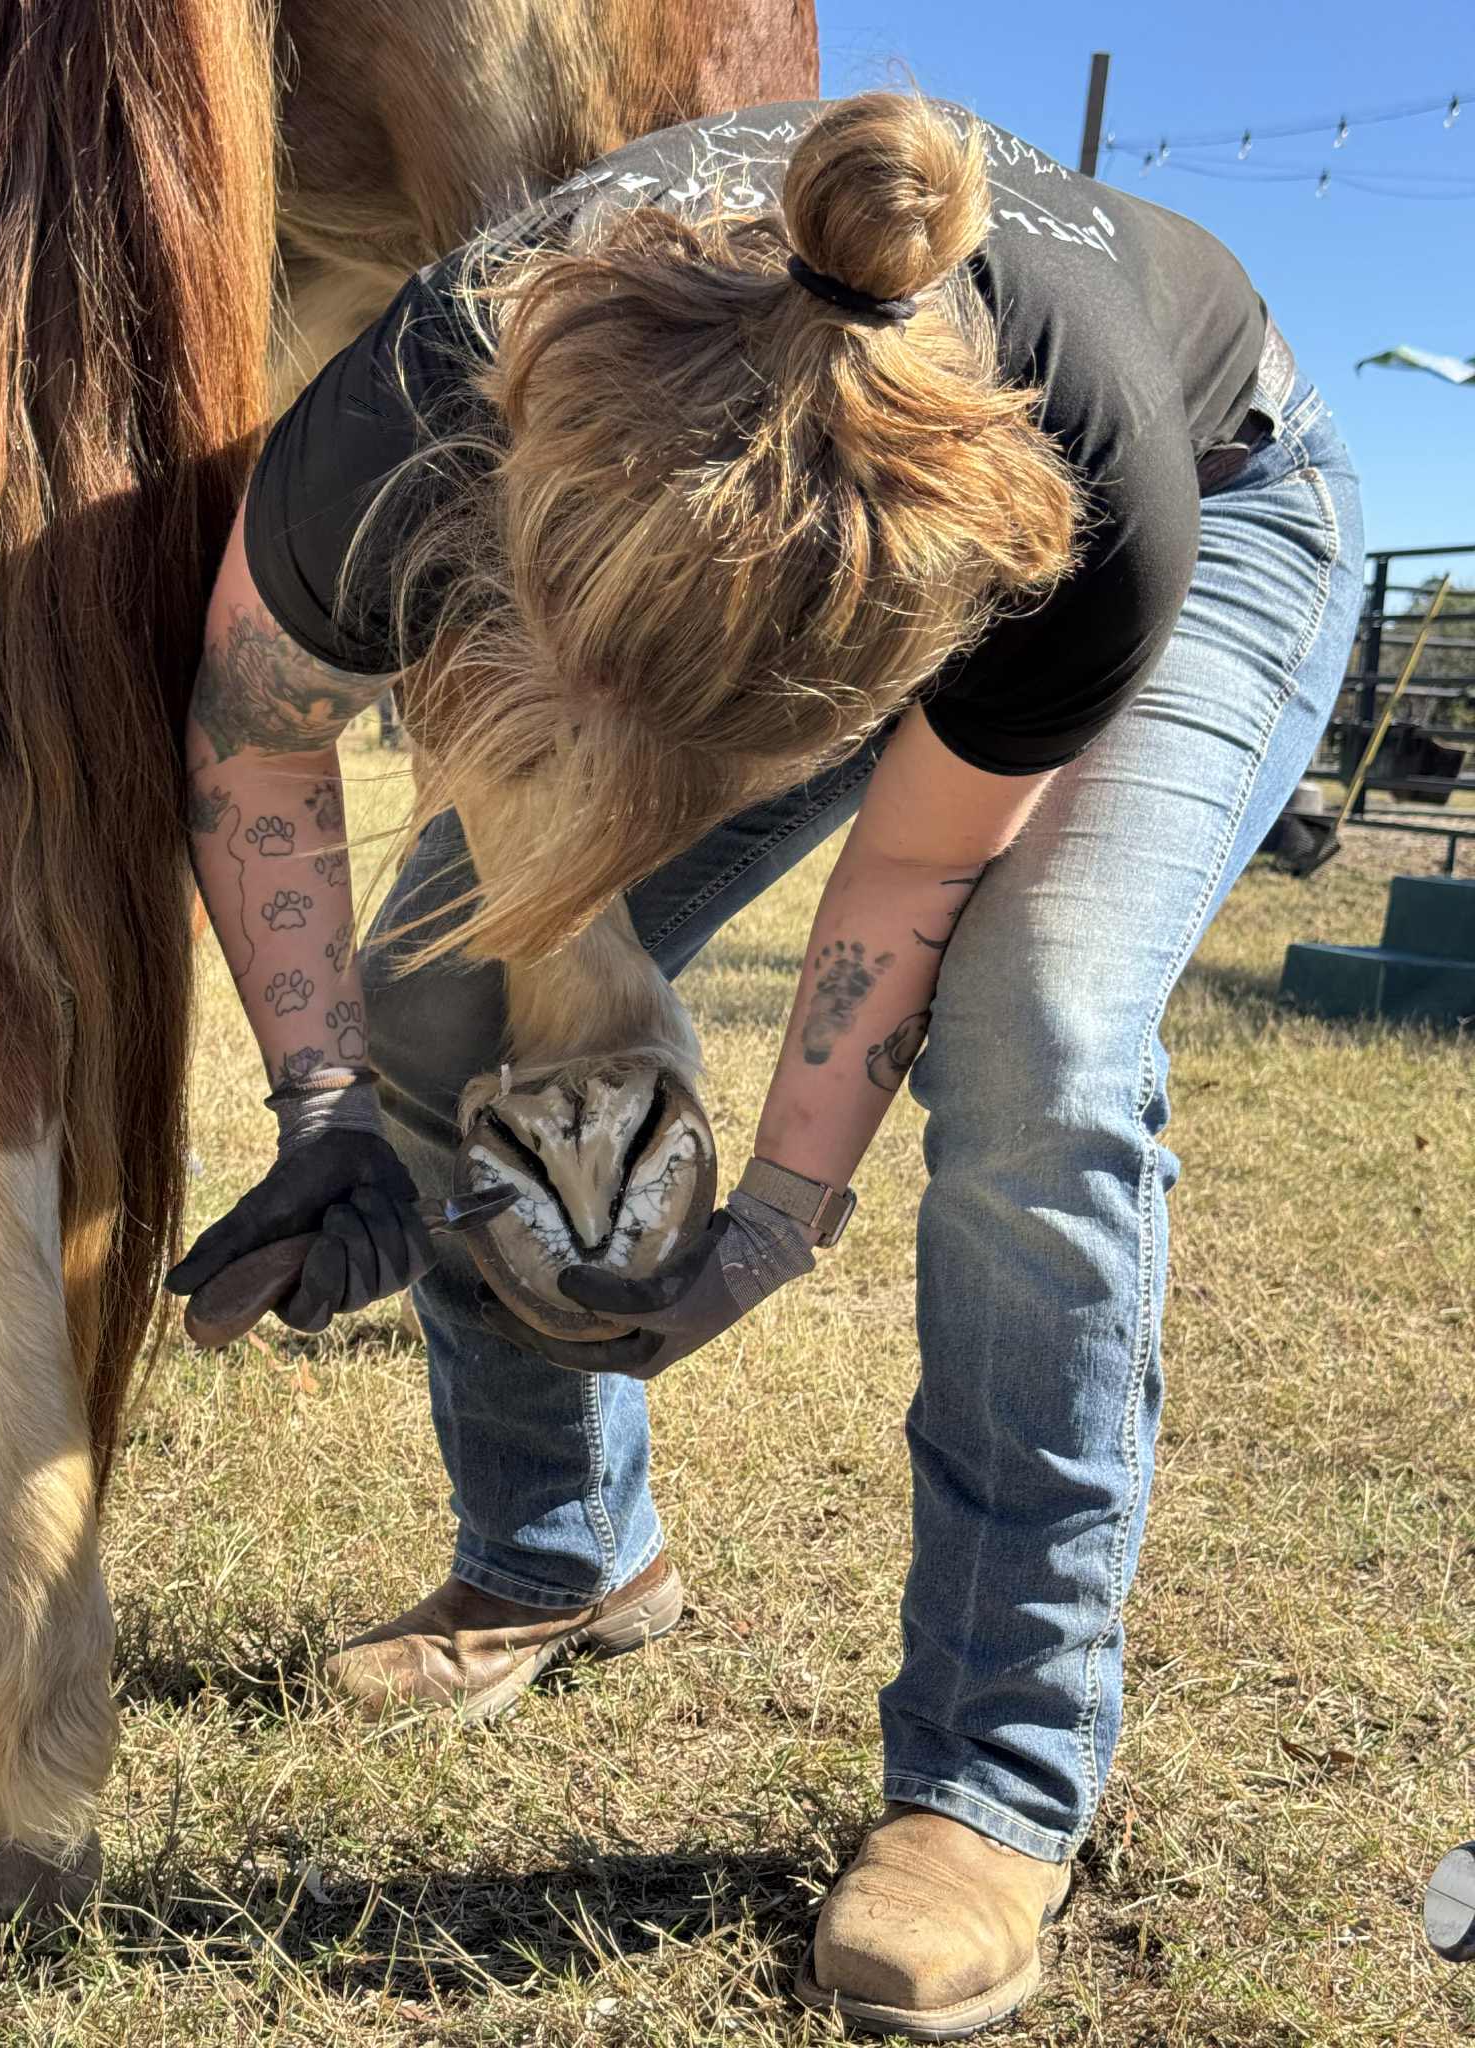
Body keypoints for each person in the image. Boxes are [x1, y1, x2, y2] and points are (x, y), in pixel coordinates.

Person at [166, 93, 1363, 2040]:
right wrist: (325, 1098)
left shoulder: (1095, 489)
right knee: (450, 981)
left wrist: (776, 1225)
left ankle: (994, 1777)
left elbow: (904, 867)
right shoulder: (408, 411)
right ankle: (557, 1558)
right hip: (708, 518)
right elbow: (253, 732)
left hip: (1208, 509)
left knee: (1039, 1038)